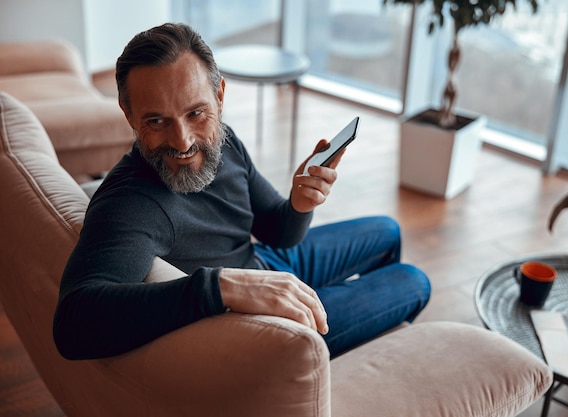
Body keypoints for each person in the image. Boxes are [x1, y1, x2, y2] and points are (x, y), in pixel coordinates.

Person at [53, 22, 431, 360]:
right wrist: (220, 286)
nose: (182, 141)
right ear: (128, 112)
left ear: (219, 95)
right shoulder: (130, 204)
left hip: (266, 263)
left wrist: (299, 203)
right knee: (413, 280)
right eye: (156, 120)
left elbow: (280, 234)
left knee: (387, 230)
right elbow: (74, 325)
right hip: (264, 319)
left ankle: (371, 346)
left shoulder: (225, 142)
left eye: (195, 113)